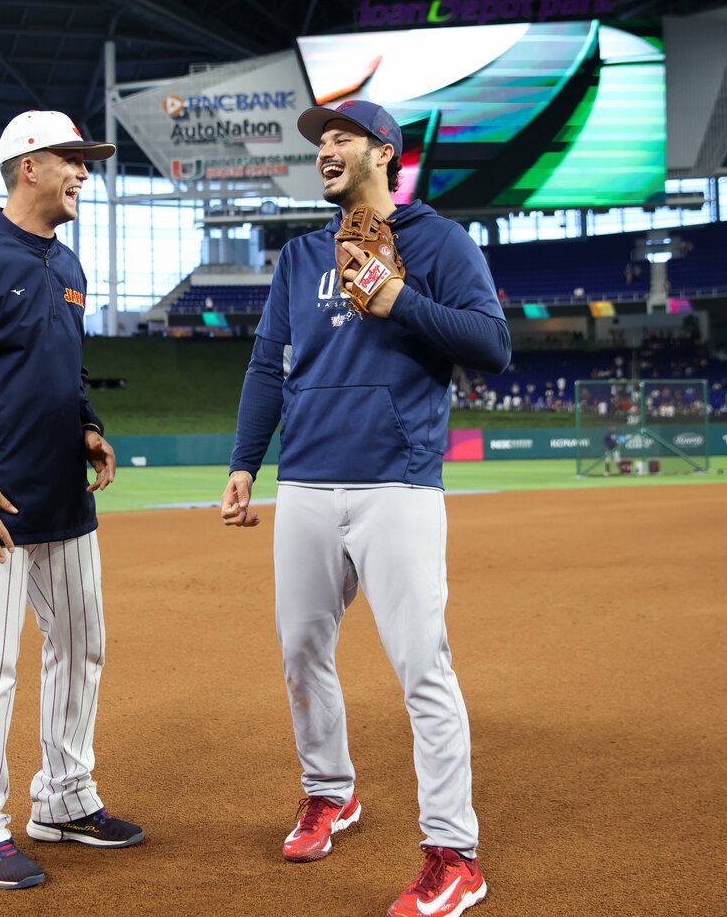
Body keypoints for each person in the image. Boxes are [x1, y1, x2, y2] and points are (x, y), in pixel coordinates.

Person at [220, 99, 510, 917]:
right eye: (320, 140)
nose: (326, 149)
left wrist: (397, 300)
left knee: (424, 668)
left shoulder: (440, 243)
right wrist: (247, 461)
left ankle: (454, 855)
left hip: (399, 482)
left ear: (386, 152)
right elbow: (266, 367)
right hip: (306, 483)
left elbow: (492, 346)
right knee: (300, 653)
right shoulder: (300, 255)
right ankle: (330, 793)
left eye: (342, 137)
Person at [0, 109, 142, 893]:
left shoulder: (70, 264)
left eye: (85, 161)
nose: (84, 173)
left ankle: (65, 798)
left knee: (81, 643)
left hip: (62, 496)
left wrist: (88, 427)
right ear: (28, 166)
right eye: (72, 160)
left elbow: (64, 371)